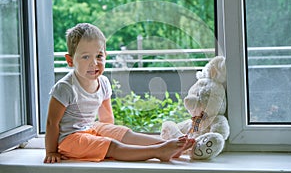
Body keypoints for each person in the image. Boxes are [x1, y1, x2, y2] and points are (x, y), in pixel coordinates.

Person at [44, 23, 194, 163]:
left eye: (99, 56)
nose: (94, 63)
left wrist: (111, 134)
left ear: (105, 55)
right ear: (70, 61)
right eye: (85, 57)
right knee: (113, 146)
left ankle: (168, 145)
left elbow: (106, 118)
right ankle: (157, 151)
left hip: (90, 129)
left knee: (125, 133)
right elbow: (52, 123)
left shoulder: (103, 82)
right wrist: (51, 151)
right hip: (69, 140)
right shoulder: (65, 87)